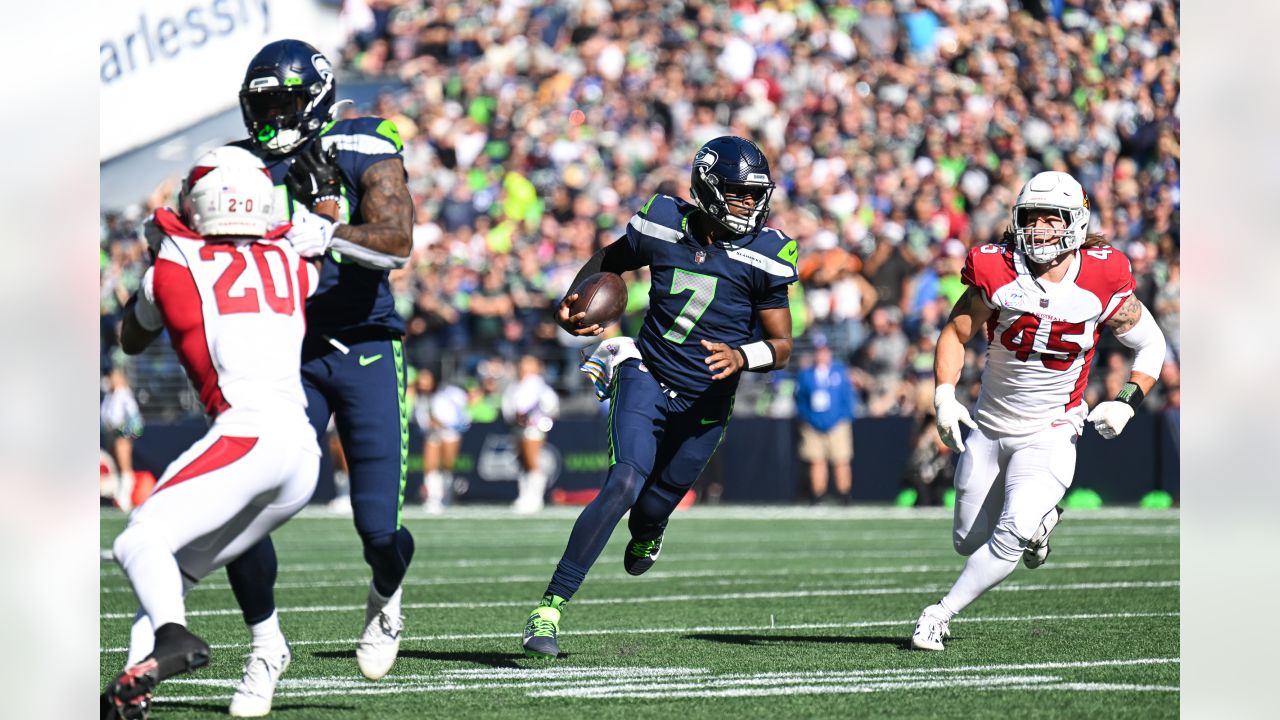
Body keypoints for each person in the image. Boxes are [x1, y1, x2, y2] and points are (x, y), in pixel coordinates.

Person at [521, 136, 798, 659]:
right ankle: (550, 609)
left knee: (649, 509)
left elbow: (782, 346)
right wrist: (575, 299)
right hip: (645, 371)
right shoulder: (663, 220)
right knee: (623, 481)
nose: (749, 204)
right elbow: (611, 258)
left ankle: (652, 527)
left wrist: (744, 358)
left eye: (753, 194)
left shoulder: (766, 253)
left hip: (707, 403)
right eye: (738, 193)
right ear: (709, 190)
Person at [222, 37, 417, 707]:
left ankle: (386, 595)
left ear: (317, 97)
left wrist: (332, 235)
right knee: (242, 508)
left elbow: (399, 241)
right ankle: (264, 645)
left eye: (284, 103)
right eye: (263, 106)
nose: (272, 120)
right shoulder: (238, 167)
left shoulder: (362, 144)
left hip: (363, 344)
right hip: (283, 353)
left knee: (379, 532)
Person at [102, 147, 320, 718]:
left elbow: (132, 336)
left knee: (136, 541)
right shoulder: (295, 266)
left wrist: (158, 245)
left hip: (247, 436)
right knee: (166, 572)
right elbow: (310, 262)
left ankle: (174, 637)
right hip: (300, 452)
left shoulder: (172, 267)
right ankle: (132, 693)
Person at [910, 171, 1168, 651]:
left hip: (1053, 426)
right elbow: (955, 332)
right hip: (990, 423)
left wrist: (1127, 402)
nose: (1040, 229)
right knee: (967, 541)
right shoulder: (997, 267)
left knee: (1010, 535)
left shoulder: (1103, 274)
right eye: (1031, 218)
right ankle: (1043, 522)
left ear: (1075, 222)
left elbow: (1151, 344)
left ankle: (939, 613)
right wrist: (944, 395)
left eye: (1052, 219)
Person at [793, 335, 858, 504]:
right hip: (813, 424)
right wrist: (808, 419)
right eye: (818, 351)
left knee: (841, 460)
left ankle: (844, 495)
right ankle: (818, 495)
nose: (822, 355)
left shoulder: (839, 371)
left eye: (824, 351)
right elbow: (800, 400)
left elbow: (848, 398)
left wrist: (843, 418)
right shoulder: (806, 374)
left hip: (837, 423)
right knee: (816, 461)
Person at [502, 355, 561, 513]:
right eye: (522, 363)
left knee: (532, 461)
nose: (524, 367)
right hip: (517, 428)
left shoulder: (538, 385)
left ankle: (535, 498)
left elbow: (551, 405)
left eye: (529, 364)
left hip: (533, 428)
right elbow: (508, 406)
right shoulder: (514, 386)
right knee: (522, 462)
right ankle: (524, 496)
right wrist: (514, 417)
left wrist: (537, 418)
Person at [414, 367, 470, 514]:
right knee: (430, 466)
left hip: (449, 433)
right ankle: (433, 497)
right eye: (421, 378)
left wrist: (442, 423)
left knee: (447, 466)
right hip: (431, 434)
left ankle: (446, 495)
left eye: (426, 378)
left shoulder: (446, 394)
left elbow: (461, 416)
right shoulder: (419, 397)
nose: (423, 382)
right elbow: (420, 418)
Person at [101, 367, 145, 511]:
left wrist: (123, 433)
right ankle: (120, 496)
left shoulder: (124, 394)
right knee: (117, 467)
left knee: (124, 465)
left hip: (122, 433)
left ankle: (125, 497)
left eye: (114, 376)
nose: (111, 379)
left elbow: (136, 421)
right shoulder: (109, 395)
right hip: (110, 434)